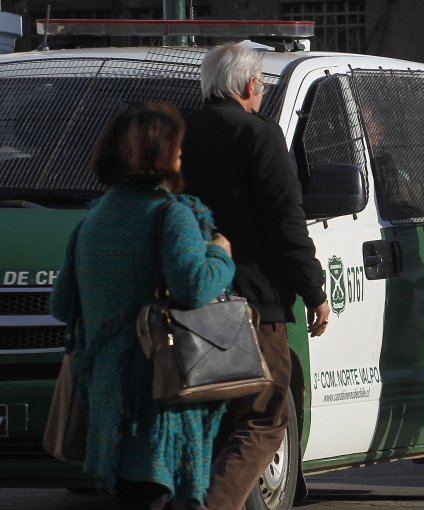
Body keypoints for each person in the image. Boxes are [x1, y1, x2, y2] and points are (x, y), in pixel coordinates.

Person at [49, 102, 235, 510]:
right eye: (177, 147)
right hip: (158, 396)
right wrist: (220, 254)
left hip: (105, 398)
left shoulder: (91, 222)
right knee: (161, 492)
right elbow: (194, 288)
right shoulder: (171, 215)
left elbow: (62, 304)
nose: (182, 155)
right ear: (158, 154)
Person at [180, 43, 330, 509]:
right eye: (261, 85)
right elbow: (286, 221)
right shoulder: (259, 135)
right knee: (265, 417)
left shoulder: (179, 133)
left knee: (217, 419)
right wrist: (315, 291)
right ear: (249, 85)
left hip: (193, 297)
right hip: (253, 304)